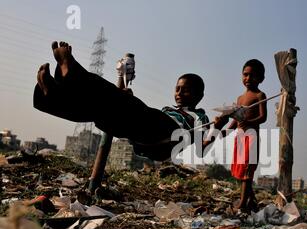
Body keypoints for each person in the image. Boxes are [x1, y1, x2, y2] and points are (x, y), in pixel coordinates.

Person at [34, 41, 210, 161]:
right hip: (143, 136)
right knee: (99, 110)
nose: (179, 94)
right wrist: (127, 100)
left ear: (199, 96)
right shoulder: (167, 109)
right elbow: (142, 116)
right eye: (177, 89)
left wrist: (221, 124)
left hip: (168, 136)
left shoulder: (199, 117)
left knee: (127, 104)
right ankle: (51, 97)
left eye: (185, 90)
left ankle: (72, 73)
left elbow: (202, 150)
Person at [216, 59, 267, 214]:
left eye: (252, 75)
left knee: (246, 172)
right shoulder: (240, 99)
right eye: (245, 75)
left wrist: (248, 121)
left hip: (251, 138)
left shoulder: (260, 95)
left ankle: (243, 203)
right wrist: (227, 131)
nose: (248, 78)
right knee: (240, 171)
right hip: (239, 138)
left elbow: (263, 117)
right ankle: (251, 200)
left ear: (261, 78)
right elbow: (236, 120)